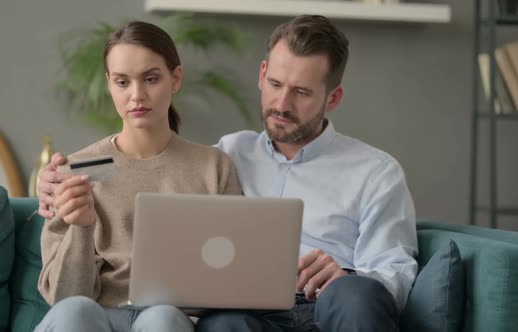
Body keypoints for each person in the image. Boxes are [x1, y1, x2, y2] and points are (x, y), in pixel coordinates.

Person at [38, 15, 418, 332]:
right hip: (250, 312)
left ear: (332, 98)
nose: (281, 104)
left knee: (355, 294)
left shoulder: (375, 171)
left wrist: (347, 276)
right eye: (275, 85)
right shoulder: (232, 152)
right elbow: (147, 167)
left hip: (329, 303)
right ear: (262, 74)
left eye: (301, 92)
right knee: (223, 323)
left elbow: (395, 272)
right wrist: (50, 184)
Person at [34, 20, 242, 332]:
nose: (137, 95)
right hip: (92, 318)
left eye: (151, 79)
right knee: (75, 311)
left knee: (163, 317)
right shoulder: (75, 171)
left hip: (170, 318)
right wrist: (82, 228)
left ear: (176, 78)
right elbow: (64, 299)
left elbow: (233, 276)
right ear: (109, 84)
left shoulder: (213, 167)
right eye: (122, 82)